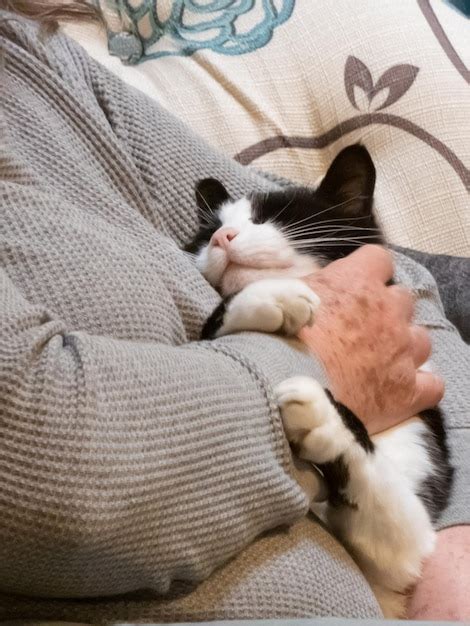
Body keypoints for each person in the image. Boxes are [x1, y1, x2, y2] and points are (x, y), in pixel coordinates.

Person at [0, 4, 469, 622]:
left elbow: (388, 268)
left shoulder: (37, 55)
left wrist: (457, 537)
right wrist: (327, 366)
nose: (223, 239)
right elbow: (34, 460)